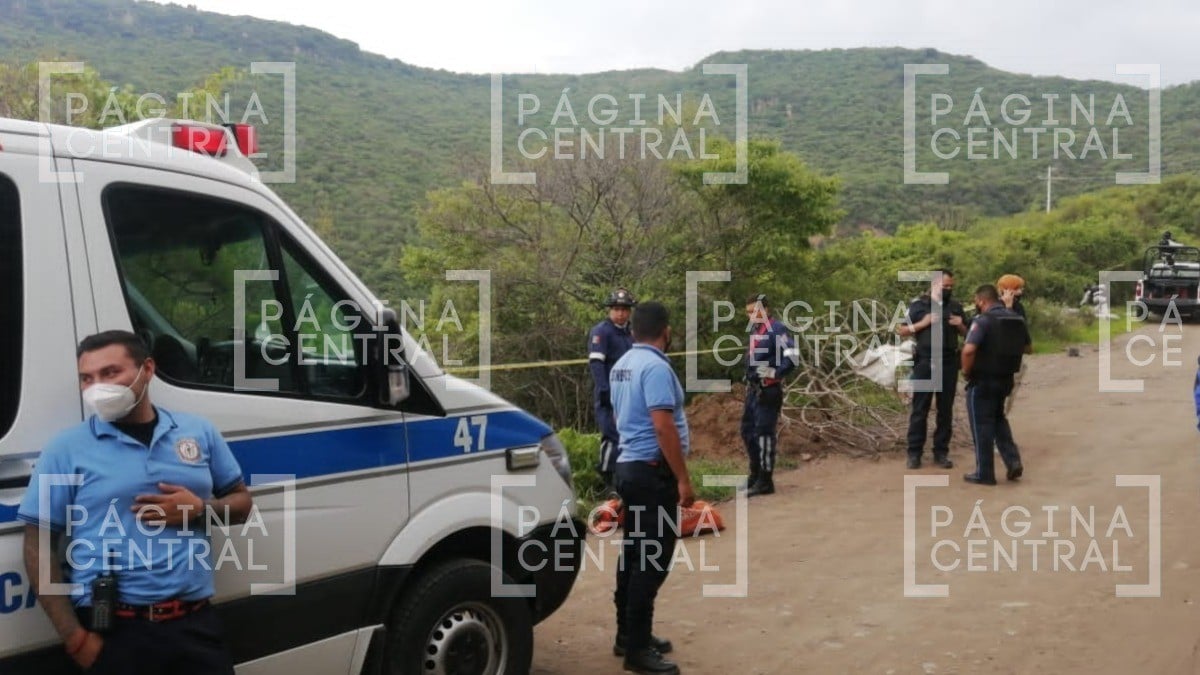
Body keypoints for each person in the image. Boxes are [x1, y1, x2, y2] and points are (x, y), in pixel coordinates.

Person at [18, 330, 253, 674]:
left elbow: (243, 505)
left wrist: (199, 511)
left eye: (110, 373)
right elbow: (37, 543)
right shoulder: (66, 448)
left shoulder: (197, 431)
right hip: (114, 632)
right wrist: (75, 638)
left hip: (195, 625)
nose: (97, 386)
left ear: (147, 369)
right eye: (87, 378)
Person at [609, 302, 694, 675]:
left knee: (633, 553)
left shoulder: (621, 365)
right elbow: (663, 426)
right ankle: (638, 650)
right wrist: (683, 478)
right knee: (652, 559)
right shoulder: (656, 367)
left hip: (628, 466)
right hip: (651, 471)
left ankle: (628, 635)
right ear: (665, 330)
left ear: (634, 330)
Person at [960, 285, 1032, 485]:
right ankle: (1013, 461)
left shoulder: (982, 321)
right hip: (1005, 379)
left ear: (981, 301)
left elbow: (968, 350)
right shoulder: (1017, 320)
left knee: (981, 426)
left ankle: (985, 473)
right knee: (999, 420)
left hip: (982, 380)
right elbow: (1029, 347)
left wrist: (966, 371)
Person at [897, 270, 968, 469]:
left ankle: (941, 452)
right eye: (945, 286)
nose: (949, 290)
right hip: (924, 362)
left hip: (948, 362)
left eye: (951, 286)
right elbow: (902, 330)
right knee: (920, 409)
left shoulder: (955, 307)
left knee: (945, 410)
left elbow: (968, 333)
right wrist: (923, 323)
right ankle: (914, 453)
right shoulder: (918, 306)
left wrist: (961, 325)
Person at [741, 294, 796, 496]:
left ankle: (765, 480)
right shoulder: (756, 331)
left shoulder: (777, 329)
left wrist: (774, 373)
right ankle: (755, 473)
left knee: (764, 434)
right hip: (753, 390)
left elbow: (792, 357)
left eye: (754, 311)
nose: (751, 316)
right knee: (747, 431)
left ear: (766, 310)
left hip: (768, 390)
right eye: (748, 313)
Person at [589, 288, 637, 492]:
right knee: (612, 435)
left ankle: (625, 479)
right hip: (609, 392)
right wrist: (604, 390)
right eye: (616, 309)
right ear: (610, 310)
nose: (620, 313)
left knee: (629, 435)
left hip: (630, 392)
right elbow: (596, 364)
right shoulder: (602, 331)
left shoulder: (632, 333)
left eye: (624, 309)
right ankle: (607, 480)